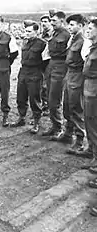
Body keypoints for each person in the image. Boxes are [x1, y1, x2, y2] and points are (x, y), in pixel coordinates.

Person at [55, 14, 86, 153]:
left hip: (78, 75)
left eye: (73, 25)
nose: (69, 27)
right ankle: (68, 134)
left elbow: (87, 62)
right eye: (69, 25)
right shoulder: (72, 39)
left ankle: (79, 140)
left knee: (76, 107)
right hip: (69, 74)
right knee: (67, 105)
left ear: (81, 26)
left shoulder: (84, 41)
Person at [10, 21, 46, 134]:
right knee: (21, 96)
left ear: (36, 32)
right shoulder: (25, 42)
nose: (27, 33)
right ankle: (21, 118)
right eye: (26, 31)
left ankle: (36, 122)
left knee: (34, 98)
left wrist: (41, 73)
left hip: (35, 72)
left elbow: (45, 61)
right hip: (23, 71)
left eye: (29, 31)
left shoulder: (42, 44)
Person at [77, 18, 97, 217]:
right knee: (90, 126)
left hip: (95, 91)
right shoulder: (92, 47)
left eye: (91, 28)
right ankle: (94, 158)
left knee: (95, 127)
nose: (88, 30)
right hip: (89, 89)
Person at [42, 11, 70, 139]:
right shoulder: (54, 33)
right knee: (49, 97)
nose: (51, 23)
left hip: (60, 66)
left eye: (54, 21)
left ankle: (59, 127)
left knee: (55, 99)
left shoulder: (67, 35)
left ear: (62, 21)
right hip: (51, 65)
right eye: (51, 21)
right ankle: (54, 126)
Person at [40, 14, 53, 116]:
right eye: (42, 22)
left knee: (47, 85)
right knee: (42, 85)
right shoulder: (41, 35)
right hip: (41, 62)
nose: (44, 24)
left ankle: (49, 106)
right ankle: (44, 104)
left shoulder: (52, 35)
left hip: (49, 62)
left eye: (46, 21)